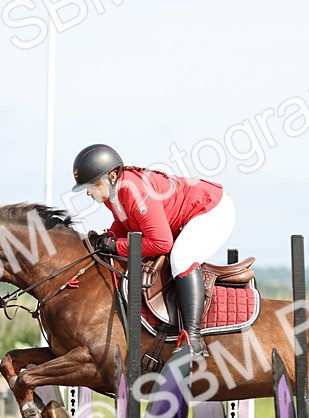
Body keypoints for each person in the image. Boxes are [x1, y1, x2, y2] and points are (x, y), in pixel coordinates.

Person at [73, 143, 236, 358]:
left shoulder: (135, 191)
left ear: (111, 176)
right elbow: (125, 222)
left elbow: (161, 244)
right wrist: (109, 238)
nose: (88, 192)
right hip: (188, 215)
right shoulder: (113, 193)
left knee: (181, 257)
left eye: (92, 185)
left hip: (212, 211)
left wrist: (116, 245)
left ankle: (193, 339)